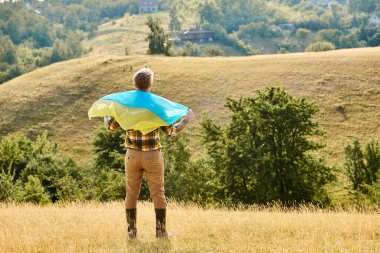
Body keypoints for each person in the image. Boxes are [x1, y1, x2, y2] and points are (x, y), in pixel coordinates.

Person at [104, 67, 194, 239]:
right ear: (150, 84)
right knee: (158, 193)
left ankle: (131, 232)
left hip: (131, 155)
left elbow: (110, 127)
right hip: (152, 156)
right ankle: (160, 232)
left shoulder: (126, 105)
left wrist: (107, 114)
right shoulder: (155, 106)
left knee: (131, 193)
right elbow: (171, 132)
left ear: (135, 83)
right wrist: (187, 119)